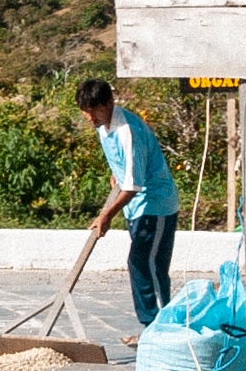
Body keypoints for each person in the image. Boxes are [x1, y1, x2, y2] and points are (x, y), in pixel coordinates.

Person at [77, 79, 181, 328]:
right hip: (138, 207)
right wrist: (117, 173)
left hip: (155, 205)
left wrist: (106, 216)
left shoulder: (128, 131)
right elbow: (123, 168)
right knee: (140, 264)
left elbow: (134, 184)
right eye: (86, 111)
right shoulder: (103, 126)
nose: (90, 117)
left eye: (95, 111)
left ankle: (158, 328)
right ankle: (151, 328)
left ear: (109, 104)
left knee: (148, 266)